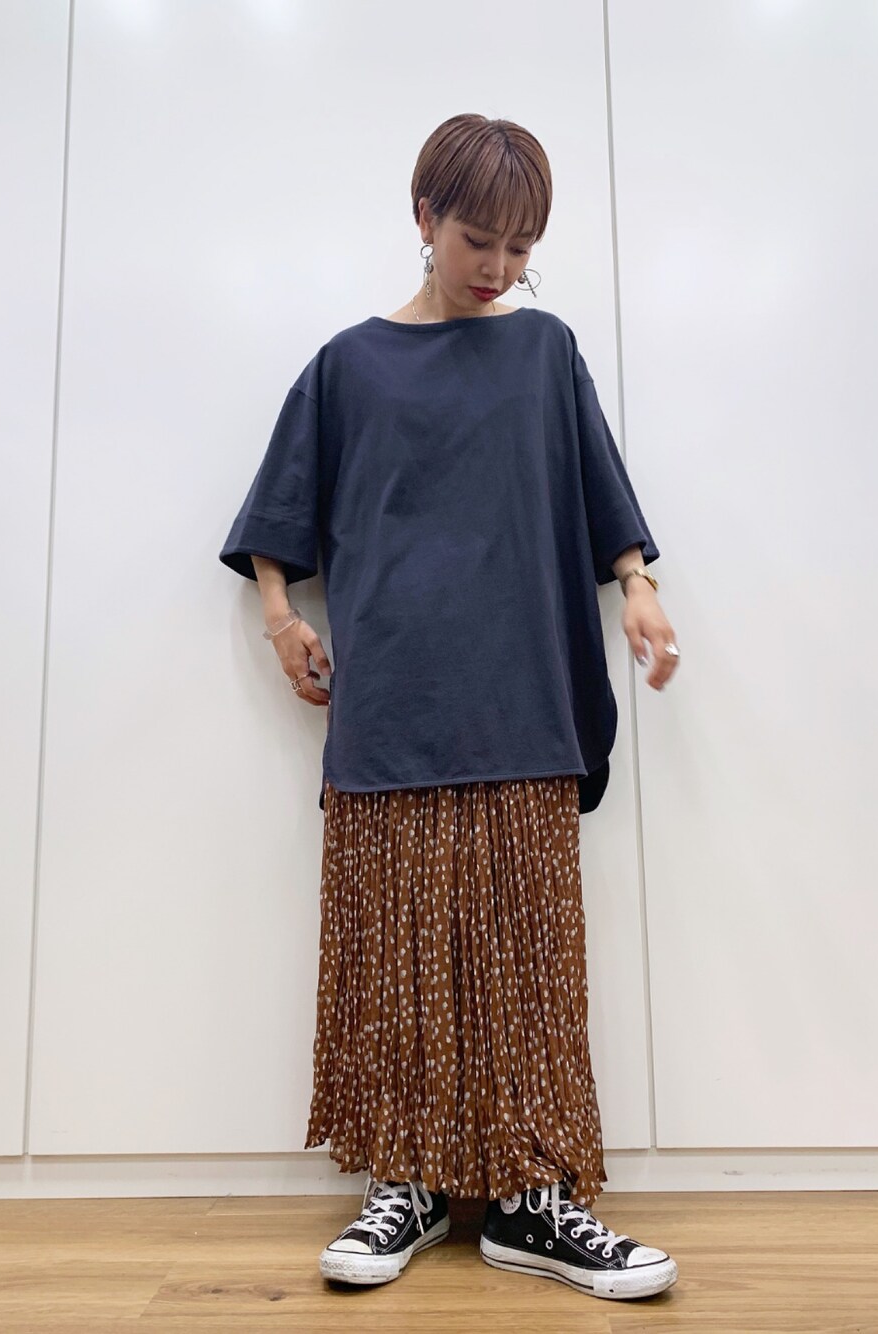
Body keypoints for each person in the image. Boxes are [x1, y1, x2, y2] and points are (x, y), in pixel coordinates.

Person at [219, 113, 682, 1302]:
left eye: (522, 247)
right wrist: (279, 617)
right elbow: (279, 516)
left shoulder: (544, 351)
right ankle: (409, 1184)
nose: (499, 266)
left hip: (523, 694)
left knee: (528, 960)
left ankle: (534, 1200)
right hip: (393, 702)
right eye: (480, 239)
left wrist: (637, 585)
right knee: (400, 959)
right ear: (424, 216)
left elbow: (600, 492)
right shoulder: (348, 365)